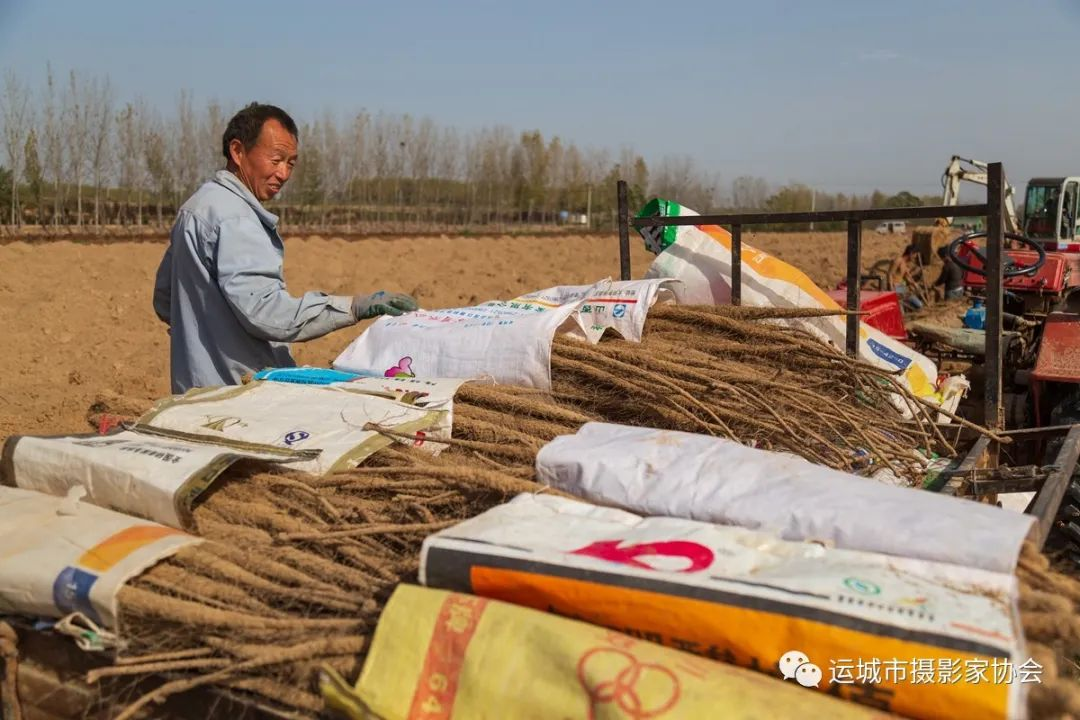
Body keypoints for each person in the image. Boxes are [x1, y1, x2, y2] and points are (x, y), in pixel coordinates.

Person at [153, 103, 417, 393]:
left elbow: (166, 301)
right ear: (238, 152)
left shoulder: (198, 206)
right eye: (276, 159)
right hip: (237, 398)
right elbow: (266, 314)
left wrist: (205, 329)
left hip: (192, 394)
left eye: (291, 163)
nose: (283, 173)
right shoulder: (237, 218)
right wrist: (353, 307)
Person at [888, 243, 924, 311]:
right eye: (915, 254)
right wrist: (891, 289)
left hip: (901, 287)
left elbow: (907, 277)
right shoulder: (898, 260)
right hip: (896, 287)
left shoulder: (905, 263)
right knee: (903, 310)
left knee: (919, 304)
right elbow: (890, 274)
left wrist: (914, 284)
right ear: (911, 253)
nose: (915, 257)